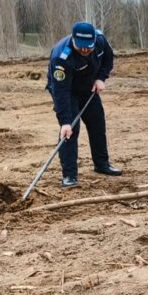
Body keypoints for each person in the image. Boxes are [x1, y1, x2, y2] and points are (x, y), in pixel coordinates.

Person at [47, 22, 120, 187]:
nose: (86, 50)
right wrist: (65, 121)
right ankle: (69, 175)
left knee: (97, 123)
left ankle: (102, 164)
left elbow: (108, 59)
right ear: (73, 40)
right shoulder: (61, 56)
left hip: (88, 87)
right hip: (67, 91)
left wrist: (101, 77)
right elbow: (60, 92)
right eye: (81, 47)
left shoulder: (101, 41)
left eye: (89, 47)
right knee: (71, 130)